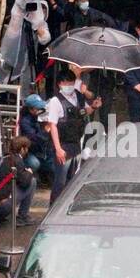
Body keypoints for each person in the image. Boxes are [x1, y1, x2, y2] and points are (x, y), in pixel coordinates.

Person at [43, 69, 98, 203]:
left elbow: (83, 112)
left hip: (75, 143)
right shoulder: (56, 101)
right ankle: (53, 209)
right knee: (60, 181)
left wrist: (94, 107)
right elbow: (53, 125)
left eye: (71, 83)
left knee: (72, 180)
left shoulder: (78, 96)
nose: (68, 85)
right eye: (65, 83)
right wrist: (58, 149)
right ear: (59, 84)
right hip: (63, 144)